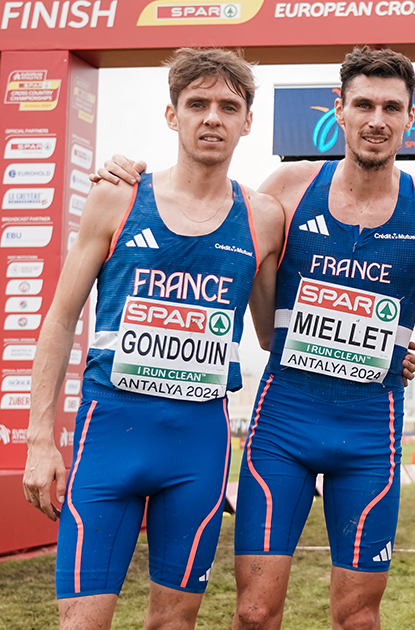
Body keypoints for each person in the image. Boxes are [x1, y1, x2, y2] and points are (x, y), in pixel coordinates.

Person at [96, 47, 415, 630]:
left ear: (411, 117)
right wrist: (129, 175)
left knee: (358, 617)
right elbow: (206, 219)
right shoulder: (286, 187)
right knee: (253, 613)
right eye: (363, 104)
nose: (376, 119)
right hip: (283, 425)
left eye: (391, 107)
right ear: (340, 110)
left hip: (369, 433)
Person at [21, 49, 284, 630]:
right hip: (110, 432)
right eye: (197, 104)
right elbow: (61, 318)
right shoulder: (119, 195)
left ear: (247, 122)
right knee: (81, 624)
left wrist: (394, 350)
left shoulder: (263, 217)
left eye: (228, 106)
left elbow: (273, 331)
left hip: (198, 444)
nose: (212, 117)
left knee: (174, 624)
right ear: (172, 115)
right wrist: (40, 438)